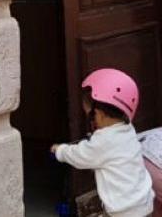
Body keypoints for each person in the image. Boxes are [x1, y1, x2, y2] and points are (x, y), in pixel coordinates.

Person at [52, 68, 154, 217]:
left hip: (123, 212)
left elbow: (80, 155)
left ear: (100, 115)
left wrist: (60, 151)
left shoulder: (103, 142)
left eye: (91, 117)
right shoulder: (127, 129)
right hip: (144, 204)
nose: (92, 122)